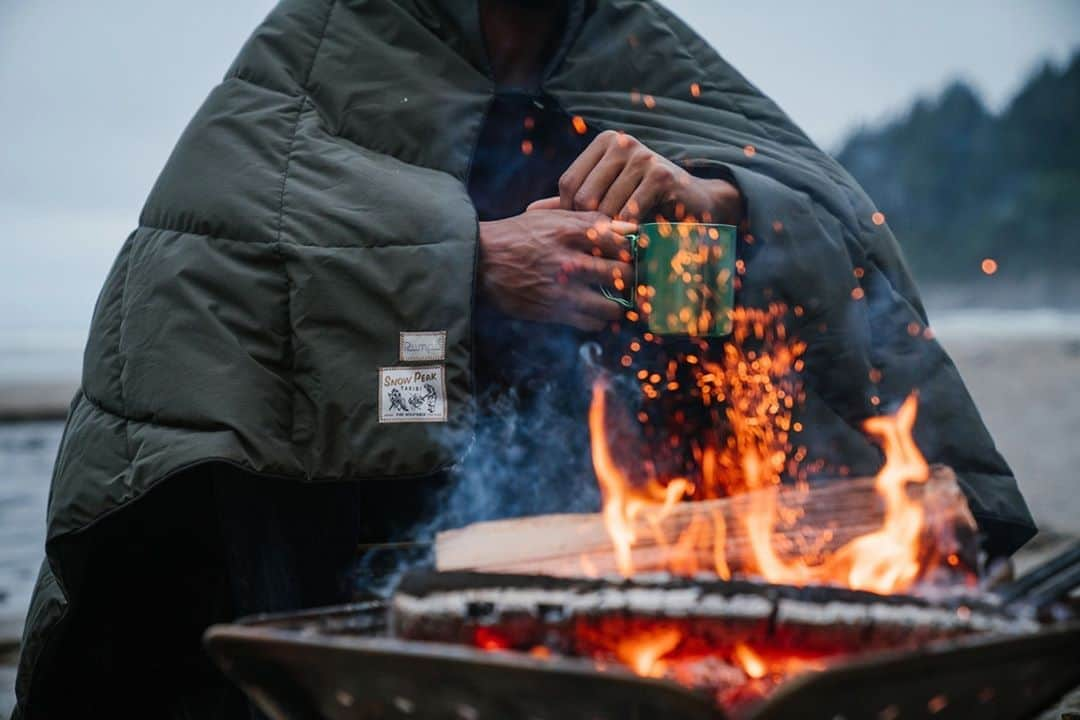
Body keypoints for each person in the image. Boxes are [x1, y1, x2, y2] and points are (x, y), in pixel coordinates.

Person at [14, 0, 1036, 717]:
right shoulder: (330, 45)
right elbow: (202, 272)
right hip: (368, 465)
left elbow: (743, 306)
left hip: (595, 517)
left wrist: (709, 209)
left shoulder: (641, 54)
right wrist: (471, 261)